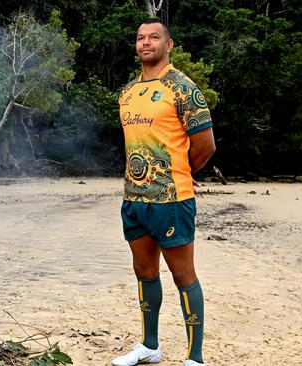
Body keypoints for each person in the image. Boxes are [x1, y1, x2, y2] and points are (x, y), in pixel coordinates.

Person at [111, 18, 216, 366]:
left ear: (168, 45)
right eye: (140, 38)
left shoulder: (183, 88)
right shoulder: (126, 93)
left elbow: (205, 144)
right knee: (145, 273)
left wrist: (184, 171)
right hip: (135, 201)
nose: (145, 43)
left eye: (154, 37)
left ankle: (195, 358)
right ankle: (150, 346)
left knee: (184, 275)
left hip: (172, 200)